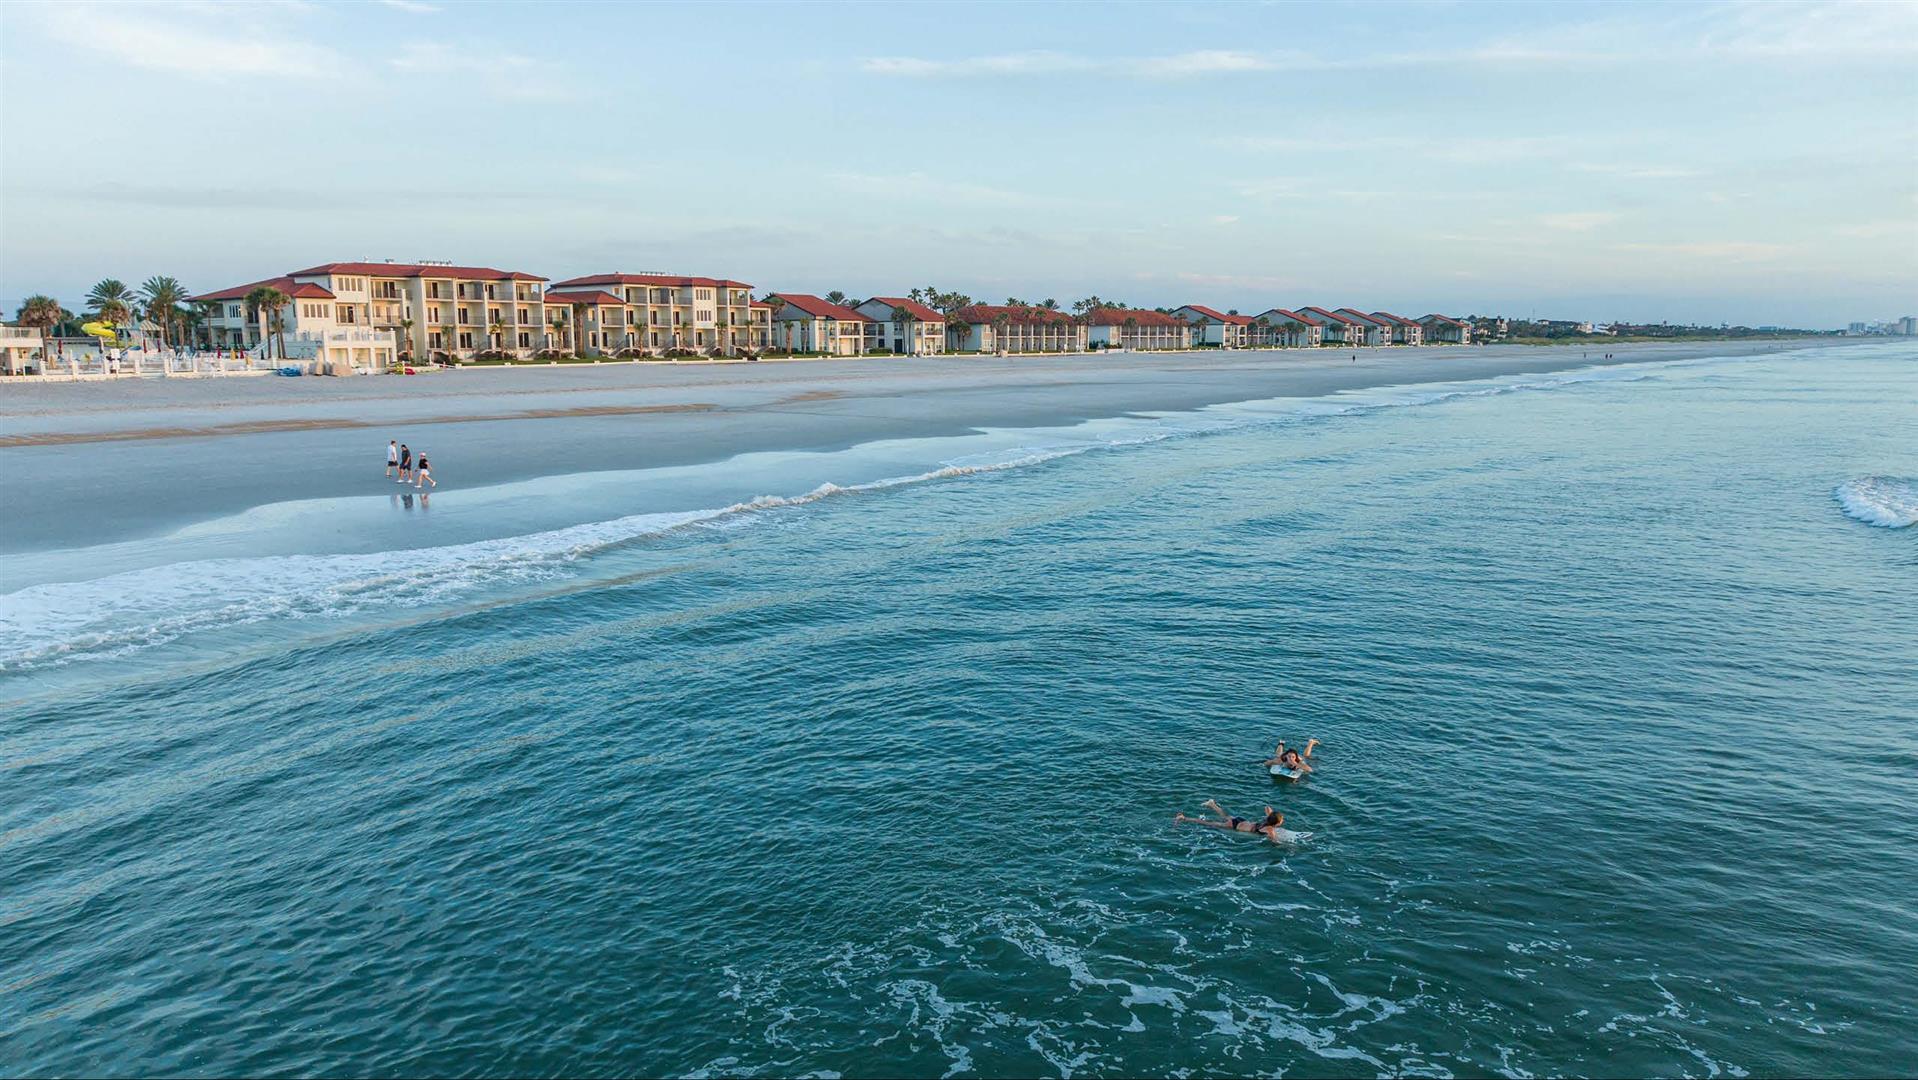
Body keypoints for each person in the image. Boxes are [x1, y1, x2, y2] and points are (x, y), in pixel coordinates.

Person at [1176, 800, 1287, 840]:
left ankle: (1212, 804)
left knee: (1224, 815)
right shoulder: (1269, 829)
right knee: (1208, 823)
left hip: (1241, 820)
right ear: (1276, 823)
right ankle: (1184, 818)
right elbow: (1275, 841)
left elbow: (1267, 807)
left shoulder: (1267, 819)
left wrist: (1273, 813)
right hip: (1235, 826)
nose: (1282, 821)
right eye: (1281, 820)